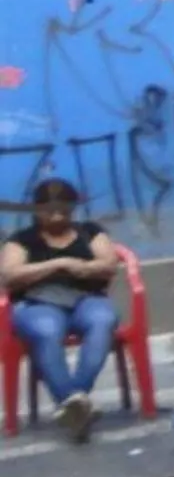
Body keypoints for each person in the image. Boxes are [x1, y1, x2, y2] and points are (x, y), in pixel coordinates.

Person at [2, 178, 127, 443]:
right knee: (47, 330)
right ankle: (75, 405)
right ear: (37, 210)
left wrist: (86, 268)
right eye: (49, 210)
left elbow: (108, 264)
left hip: (85, 298)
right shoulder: (22, 239)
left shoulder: (90, 231)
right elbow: (10, 275)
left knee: (103, 319)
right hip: (38, 303)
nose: (57, 216)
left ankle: (74, 402)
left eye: (64, 210)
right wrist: (60, 263)